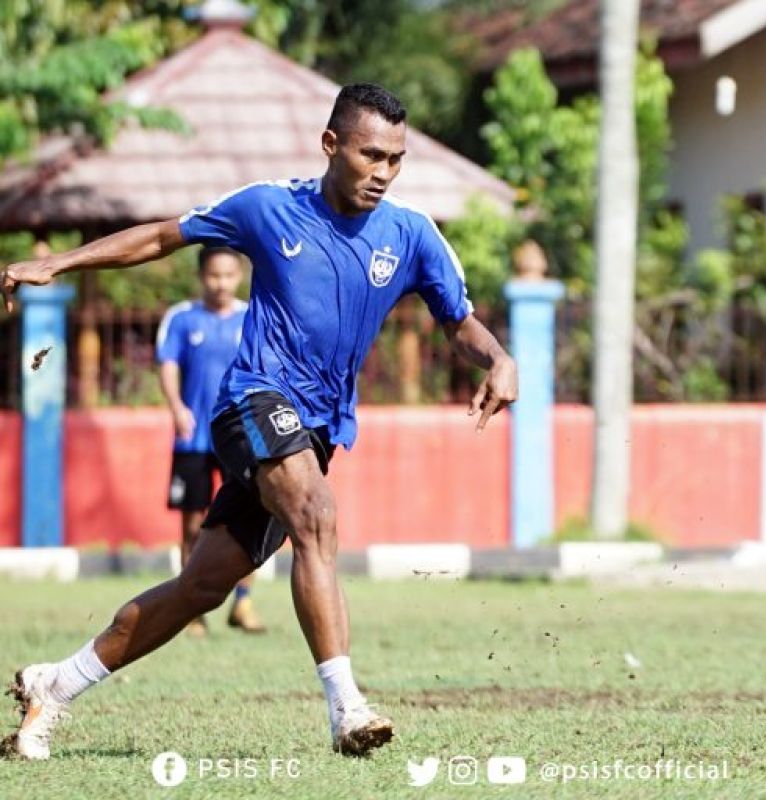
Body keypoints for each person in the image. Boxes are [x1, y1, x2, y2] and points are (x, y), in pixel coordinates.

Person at [1, 83, 517, 759]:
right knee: (316, 513)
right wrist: (57, 262)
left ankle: (55, 682)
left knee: (203, 585)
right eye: (370, 155)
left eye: (396, 158)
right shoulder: (267, 206)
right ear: (331, 145)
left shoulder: (413, 233)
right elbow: (163, 235)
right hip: (251, 403)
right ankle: (347, 709)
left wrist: (500, 358)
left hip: (316, 432)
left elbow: (459, 323)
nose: (384, 172)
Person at [156, 245, 264, 636]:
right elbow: (167, 365)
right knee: (192, 525)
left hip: (240, 438)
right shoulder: (182, 319)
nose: (221, 283)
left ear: (239, 276)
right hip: (193, 439)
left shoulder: (252, 317)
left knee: (251, 520)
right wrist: (177, 407)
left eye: (229, 275)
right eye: (214, 275)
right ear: (202, 276)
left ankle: (243, 603)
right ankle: (191, 612)